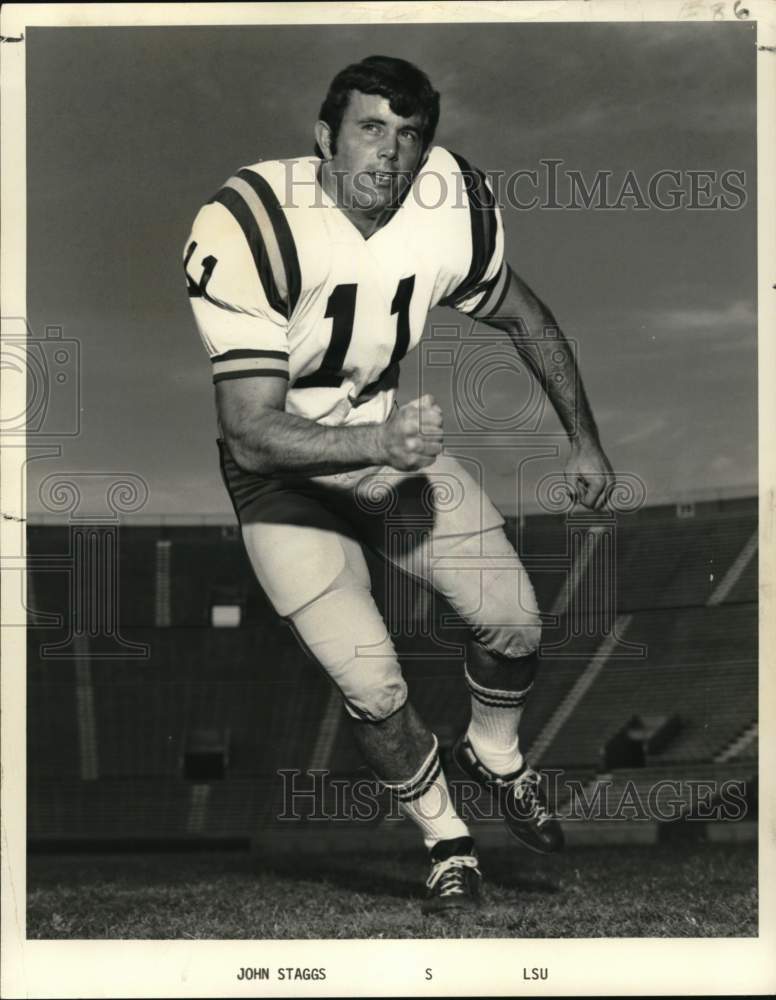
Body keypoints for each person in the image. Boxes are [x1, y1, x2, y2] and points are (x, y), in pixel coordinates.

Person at [183, 55, 614, 914]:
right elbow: (252, 432)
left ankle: (494, 753)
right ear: (324, 138)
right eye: (371, 129)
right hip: (287, 474)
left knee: (514, 621)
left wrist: (585, 442)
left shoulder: (448, 199)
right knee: (373, 683)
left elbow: (525, 314)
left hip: (388, 445)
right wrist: (378, 436)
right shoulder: (251, 220)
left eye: (410, 134)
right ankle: (447, 842)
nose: (391, 153)